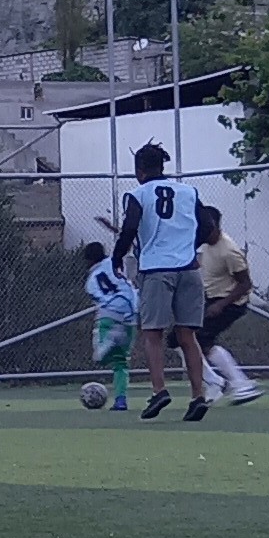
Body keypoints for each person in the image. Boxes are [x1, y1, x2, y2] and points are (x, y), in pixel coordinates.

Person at [110, 141, 208, 420]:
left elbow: (130, 228)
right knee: (188, 335)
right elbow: (207, 226)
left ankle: (159, 390)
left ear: (139, 170)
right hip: (189, 269)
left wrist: (117, 257)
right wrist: (187, 247)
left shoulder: (138, 194)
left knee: (152, 334)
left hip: (156, 270)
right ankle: (198, 395)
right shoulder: (188, 191)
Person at [198, 220, 260, 401]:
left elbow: (245, 284)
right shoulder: (206, 245)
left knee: (197, 339)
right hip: (211, 300)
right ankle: (220, 382)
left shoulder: (229, 251)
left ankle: (238, 384)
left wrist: (221, 305)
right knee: (180, 340)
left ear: (215, 227)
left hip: (230, 304)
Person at [83, 240, 139, 411]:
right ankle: (121, 401)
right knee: (121, 363)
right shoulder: (116, 262)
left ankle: (109, 341)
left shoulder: (91, 281)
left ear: (88, 261)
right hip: (131, 314)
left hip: (109, 316)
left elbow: (100, 298)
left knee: (99, 358)